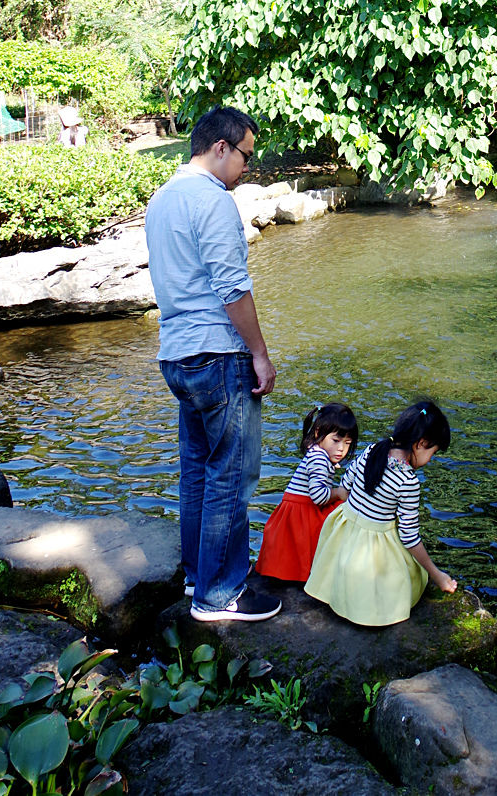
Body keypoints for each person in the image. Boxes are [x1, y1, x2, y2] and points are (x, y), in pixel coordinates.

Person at [145, 104, 281, 623]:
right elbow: (232, 289)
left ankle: (196, 574)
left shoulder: (162, 198)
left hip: (176, 354)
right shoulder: (213, 201)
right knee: (231, 473)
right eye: (246, 155)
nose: (247, 167)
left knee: (198, 471)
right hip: (217, 354)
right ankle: (220, 593)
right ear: (220, 147)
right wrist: (260, 354)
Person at [305, 398, 457, 626]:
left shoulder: (373, 450)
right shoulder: (408, 481)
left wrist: (361, 509)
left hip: (343, 537)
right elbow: (409, 537)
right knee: (414, 576)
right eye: (432, 453)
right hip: (371, 549)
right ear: (421, 443)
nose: (429, 460)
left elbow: (345, 486)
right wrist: (437, 575)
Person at [255, 402, 359, 582]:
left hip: (298, 508)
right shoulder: (319, 458)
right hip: (302, 512)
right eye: (336, 441)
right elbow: (319, 497)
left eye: (347, 443)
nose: (341, 448)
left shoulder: (316, 450)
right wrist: (339, 492)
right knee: (342, 509)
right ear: (318, 433)